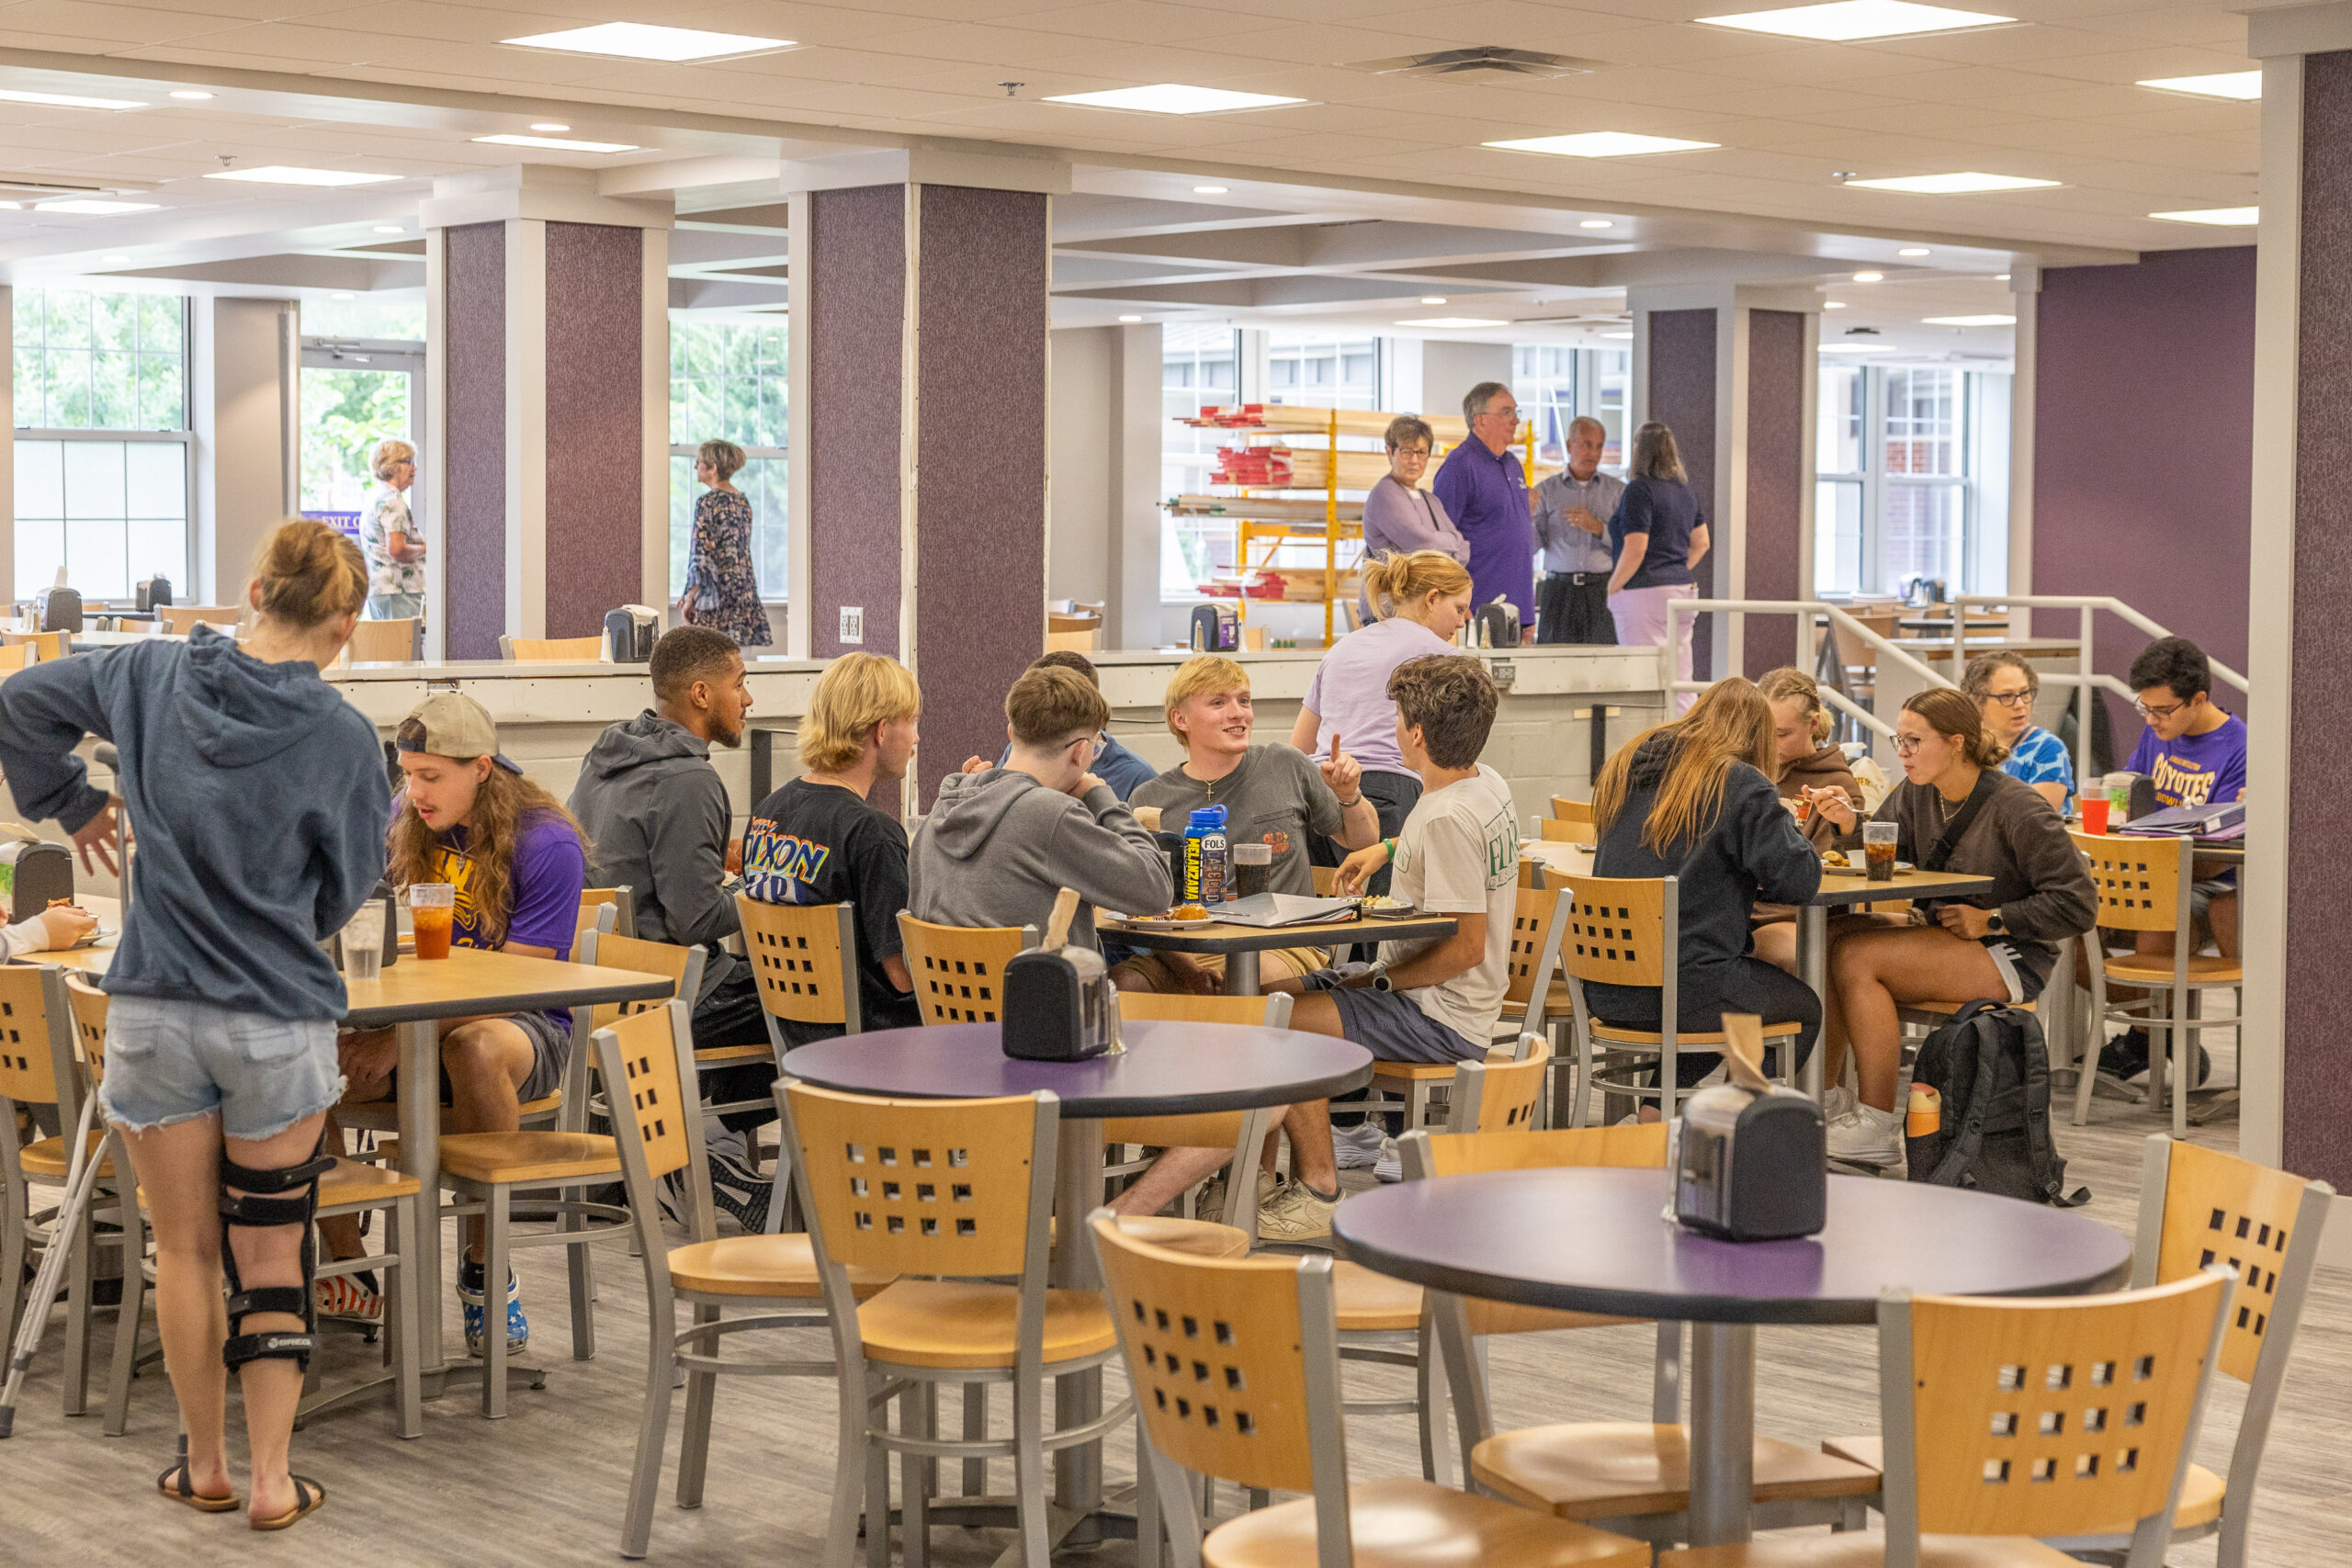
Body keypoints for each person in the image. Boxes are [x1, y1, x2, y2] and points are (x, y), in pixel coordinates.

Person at [0, 520, 388, 1530]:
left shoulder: (145, 677)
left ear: (255, 587)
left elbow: (15, 703)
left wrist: (70, 802)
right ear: (344, 628)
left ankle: (203, 1464)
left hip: (155, 1010)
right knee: (271, 1253)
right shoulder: (344, 739)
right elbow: (349, 884)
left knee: (181, 1252)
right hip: (276, 1019)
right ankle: (270, 1480)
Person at [325, 693, 589, 1357]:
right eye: (407, 773)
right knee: (292, 1060)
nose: (414, 790)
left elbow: (520, 982)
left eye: (430, 775)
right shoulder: (406, 819)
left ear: (482, 767)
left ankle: (484, 1267)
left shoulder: (546, 840)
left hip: (523, 1026)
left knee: (473, 1047)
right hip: (412, 1023)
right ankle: (350, 1269)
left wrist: (398, 1040)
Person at [1257, 656, 1518, 1241]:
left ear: (1418, 734)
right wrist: (1387, 849)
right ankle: (1259, 1176)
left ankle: (1319, 1188)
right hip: (1439, 1001)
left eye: (1398, 718)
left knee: (1282, 1029)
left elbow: (1466, 947)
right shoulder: (1483, 783)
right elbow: (1449, 843)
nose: (1395, 728)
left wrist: (1375, 982)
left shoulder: (1446, 818)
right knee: (1268, 994)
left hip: (1441, 1017)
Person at [1811, 688, 2097, 1166]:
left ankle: (1877, 1125)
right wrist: (1847, 824)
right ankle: (1829, 1100)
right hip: (1945, 935)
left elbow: (2078, 904)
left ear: (1957, 742)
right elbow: (1885, 846)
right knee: (1831, 937)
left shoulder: (2019, 808)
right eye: (1898, 740)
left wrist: (1995, 918)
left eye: (1914, 742)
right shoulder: (1916, 792)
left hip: (2011, 952)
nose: (1902, 753)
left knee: (1856, 955)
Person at [567, 626, 781, 1226]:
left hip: (602, 994)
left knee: (752, 981)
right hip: (667, 1000)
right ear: (701, 693)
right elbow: (700, 918)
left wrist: (722, 875)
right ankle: (699, 1146)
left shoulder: (604, 757)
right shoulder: (691, 780)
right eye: (740, 683)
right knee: (805, 1000)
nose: (749, 699)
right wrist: (767, 887)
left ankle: (693, 1147)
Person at [1583, 678, 1825, 1114]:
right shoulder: (1740, 782)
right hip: (1685, 993)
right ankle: (1736, 1130)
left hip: (1606, 990)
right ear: (1758, 738)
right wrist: (1787, 824)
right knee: (1799, 1008)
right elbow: (1799, 882)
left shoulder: (1626, 765)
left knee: (1726, 991)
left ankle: (1657, 1110)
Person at [1119, 655, 1379, 993]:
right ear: (1180, 718)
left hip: (1283, 943)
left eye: (1243, 700)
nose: (1239, 712)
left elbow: (1362, 840)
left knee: (1248, 981)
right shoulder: (1148, 798)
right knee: (1120, 984)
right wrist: (1186, 968)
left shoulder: (1285, 764)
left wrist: (1349, 795)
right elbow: (1138, 903)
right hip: (1186, 949)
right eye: (1218, 702)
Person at [909, 663, 1171, 953]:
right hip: (1041, 996)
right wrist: (1101, 797)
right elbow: (1156, 890)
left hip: (945, 996)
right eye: (1095, 749)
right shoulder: (1051, 814)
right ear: (1080, 751)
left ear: (1011, 732)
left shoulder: (941, 809)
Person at [741, 649, 923, 1043]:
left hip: (791, 1033)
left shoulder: (767, 813)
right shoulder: (873, 835)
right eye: (911, 722)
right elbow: (904, 976)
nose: (916, 738)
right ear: (880, 730)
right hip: (870, 1040)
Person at [2097, 636, 2247, 1088]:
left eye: (2162, 711)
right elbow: (2126, 796)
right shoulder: (2155, 732)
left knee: (2158, 920)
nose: (2152, 720)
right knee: (2071, 929)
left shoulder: (2239, 746)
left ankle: (2149, 1036)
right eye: (2145, 708)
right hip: (2146, 870)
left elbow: (2218, 846)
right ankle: (2156, 1033)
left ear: (2198, 699)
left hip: (2202, 881)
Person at [1290, 550, 1474, 899]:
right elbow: (1451, 757)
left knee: (1329, 931)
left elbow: (1299, 747)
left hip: (1318, 794)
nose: (1463, 621)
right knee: (1384, 932)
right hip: (1389, 792)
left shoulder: (1342, 648)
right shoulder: (1443, 658)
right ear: (1432, 599)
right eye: (1459, 608)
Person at [1606, 422, 1710, 715]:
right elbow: (1701, 542)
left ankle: (1648, 749)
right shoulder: (1685, 492)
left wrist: (1613, 587)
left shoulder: (1639, 490)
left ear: (1638, 451)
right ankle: (1686, 746)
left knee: (1642, 678)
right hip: (1682, 589)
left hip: (1644, 592)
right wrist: (1673, 567)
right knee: (1680, 678)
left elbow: (1636, 548)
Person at [962, 649, 1159, 801]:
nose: (1037, 731)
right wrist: (979, 791)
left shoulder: (1137, 777)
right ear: (1013, 733)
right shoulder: (1022, 746)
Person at [1430, 381, 1534, 631]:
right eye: (1506, 412)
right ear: (1481, 421)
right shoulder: (1459, 466)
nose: (1515, 421)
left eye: (1515, 412)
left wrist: (1528, 610)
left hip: (1517, 607)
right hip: (1477, 609)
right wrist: (1455, 600)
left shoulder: (1512, 463)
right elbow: (1440, 543)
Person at [1358, 415, 1468, 621]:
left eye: (1421, 452)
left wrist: (1444, 547)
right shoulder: (1385, 493)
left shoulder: (1431, 500)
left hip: (1422, 613)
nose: (1415, 460)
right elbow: (1420, 543)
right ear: (1389, 452)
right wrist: (1449, 544)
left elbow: (1464, 550)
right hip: (1389, 614)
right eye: (1406, 452)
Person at [1532, 415, 1623, 646]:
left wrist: (1598, 528)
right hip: (1558, 591)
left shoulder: (1617, 492)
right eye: (1587, 444)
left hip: (1601, 590)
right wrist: (1525, 516)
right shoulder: (1546, 491)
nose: (1593, 453)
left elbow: (1629, 545)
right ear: (1570, 445)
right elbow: (1531, 547)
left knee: (1604, 666)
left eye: (1599, 446)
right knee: (1553, 662)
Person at [679, 439, 774, 650]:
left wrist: (690, 597)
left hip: (714, 599)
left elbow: (702, 557)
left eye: (700, 462)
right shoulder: (743, 502)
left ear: (713, 468)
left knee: (709, 666)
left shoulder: (707, 503)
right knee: (738, 665)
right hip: (743, 595)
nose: (696, 467)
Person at [1758, 666, 1860, 852]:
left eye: (1781, 734)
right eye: (1762, 730)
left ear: (1813, 723)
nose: (1769, 743)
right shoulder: (1746, 770)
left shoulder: (1836, 786)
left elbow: (1832, 867)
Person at [1966, 650, 2073, 813]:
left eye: (2025, 693)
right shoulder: (1965, 746)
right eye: (2007, 696)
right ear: (1978, 701)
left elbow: (2034, 821)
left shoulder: (2048, 748)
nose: (2020, 704)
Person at [358, 437, 424, 623]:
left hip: (381, 590)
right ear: (393, 466)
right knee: (404, 649)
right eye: (409, 462)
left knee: (389, 648)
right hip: (399, 591)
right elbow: (397, 550)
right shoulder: (393, 502)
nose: (415, 468)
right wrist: (426, 548)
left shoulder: (375, 497)